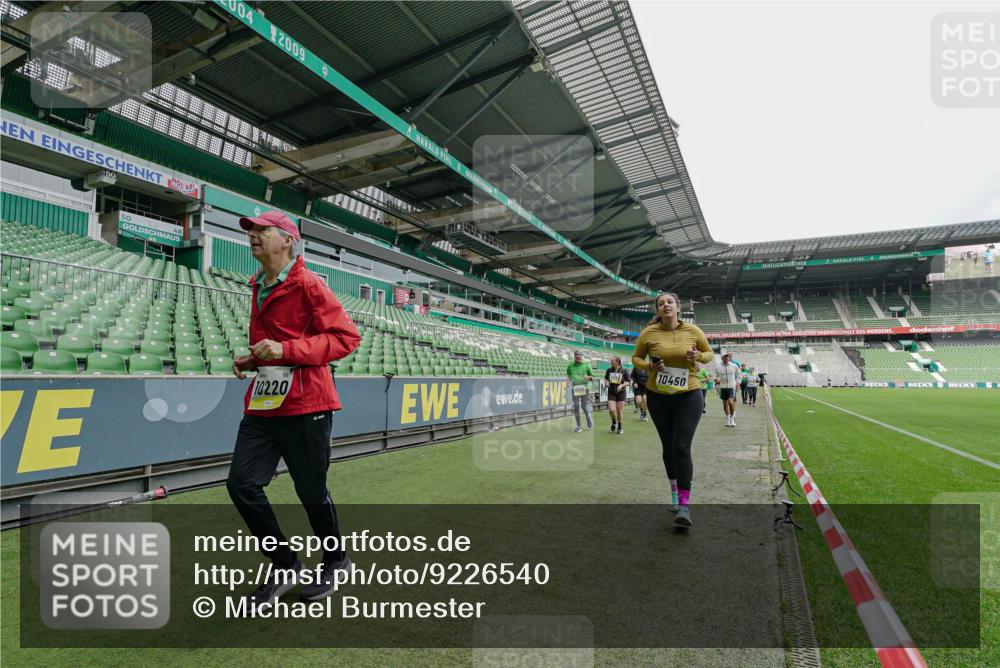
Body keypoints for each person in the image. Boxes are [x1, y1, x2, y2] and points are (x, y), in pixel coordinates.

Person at [227, 211, 361, 611]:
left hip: (307, 403)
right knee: (241, 484)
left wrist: (285, 350)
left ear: (287, 240)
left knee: (311, 490)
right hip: (265, 404)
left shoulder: (309, 283)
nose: (253, 236)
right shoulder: (258, 283)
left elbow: (346, 338)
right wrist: (255, 359)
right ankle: (285, 564)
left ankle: (336, 560)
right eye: (251, 231)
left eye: (262, 230)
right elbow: (273, 343)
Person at [631, 292, 714, 527]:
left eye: (669, 302)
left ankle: (684, 507)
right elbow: (636, 358)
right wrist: (650, 366)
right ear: (657, 310)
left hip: (689, 394)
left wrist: (698, 355)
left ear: (678, 307)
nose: (665, 305)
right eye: (661, 303)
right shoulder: (649, 333)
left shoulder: (693, 330)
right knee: (668, 446)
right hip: (658, 396)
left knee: (682, 446)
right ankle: (675, 493)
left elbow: (709, 354)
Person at [566, 350, 595, 433]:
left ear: (582, 356)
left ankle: (588, 416)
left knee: (584, 406)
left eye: (579, 356)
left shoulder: (587, 365)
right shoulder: (570, 365)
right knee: (576, 406)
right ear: (574, 356)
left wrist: (588, 377)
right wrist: (568, 382)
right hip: (575, 388)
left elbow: (592, 376)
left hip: (585, 387)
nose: (578, 357)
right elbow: (568, 376)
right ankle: (578, 426)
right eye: (576, 356)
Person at [603, 356, 631, 434]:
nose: (611, 362)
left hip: (621, 392)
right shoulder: (609, 370)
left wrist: (622, 385)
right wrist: (606, 383)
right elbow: (605, 379)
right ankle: (614, 421)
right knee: (611, 409)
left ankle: (620, 427)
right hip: (611, 392)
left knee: (619, 410)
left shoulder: (624, 370)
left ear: (617, 362)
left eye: (612, 361)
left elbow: (629, 382)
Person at [717, 352, 740, 427]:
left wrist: (738, 382)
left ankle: (732, 419)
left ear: (729, 358)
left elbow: (739, 375)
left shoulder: (734, 366)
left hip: (731, 386)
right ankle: (728, 419)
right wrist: (716, 379)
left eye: (727, 356)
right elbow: (716, 376)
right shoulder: (718, 367)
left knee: (731, 402)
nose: (726, 358)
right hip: (722, 387)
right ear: (722, 358)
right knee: (725, 404)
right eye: (725, 356)